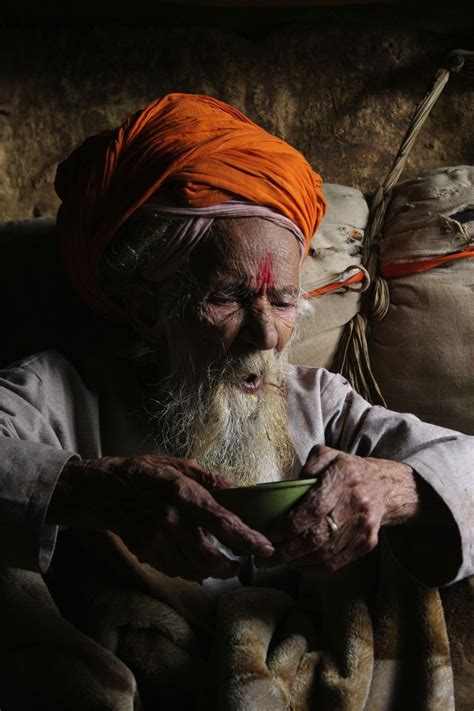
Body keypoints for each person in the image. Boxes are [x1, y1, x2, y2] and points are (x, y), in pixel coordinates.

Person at [0, 94, 472, 707]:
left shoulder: (317, 399)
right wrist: (95, 492)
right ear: (148, 309)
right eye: (227, 296)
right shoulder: (57, 392)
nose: (267, 334)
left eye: (281, 301)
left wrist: (392, 489)